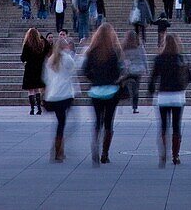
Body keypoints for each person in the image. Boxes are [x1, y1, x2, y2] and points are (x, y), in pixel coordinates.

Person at [148, 33, 191, 167]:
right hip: (178, 96)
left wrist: (150, 92)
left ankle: (163, 155)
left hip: (163, 96)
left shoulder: (159, 59)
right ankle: (175, 156)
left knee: (163, 126)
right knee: (176, 126)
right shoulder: (181, 59)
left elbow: (153, 79)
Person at [83, 24, 124, 165]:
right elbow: (118, 72)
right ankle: (105, 153)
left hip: (96, 91)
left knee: (97, 121)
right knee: (108, 123)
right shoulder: (114, 52)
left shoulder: (91, 52)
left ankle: (95, 144)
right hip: (111, 91)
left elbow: (85, 70)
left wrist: (94, 79)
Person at [42, 35, 77, 162]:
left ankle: (59, 149)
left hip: (52, 95)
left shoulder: (50, 60)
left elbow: (46, 79)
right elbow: (73, 70)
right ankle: (58, 151)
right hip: (64, 95)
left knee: (59, 122)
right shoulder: (67, 58)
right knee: (63, 123)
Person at [21, 28, 49, 116]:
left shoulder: (27, 45)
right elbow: (48, 47)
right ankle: (39, 108)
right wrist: (41, 36)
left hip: (30, 68)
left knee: (31, 90)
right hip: (39, 68)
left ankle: (32, 109)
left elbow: (23, 58)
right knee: (37, 89)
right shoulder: (41, 44)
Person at [122, 30, 148, 114]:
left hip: (128, 70)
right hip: (138, 70)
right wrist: (147, 69)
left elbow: (121, 58)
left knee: (128, 86)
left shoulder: (124, 47)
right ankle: (135, 107)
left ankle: (127, 97)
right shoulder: (139, 46)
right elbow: (144, 57)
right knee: (136, 89)